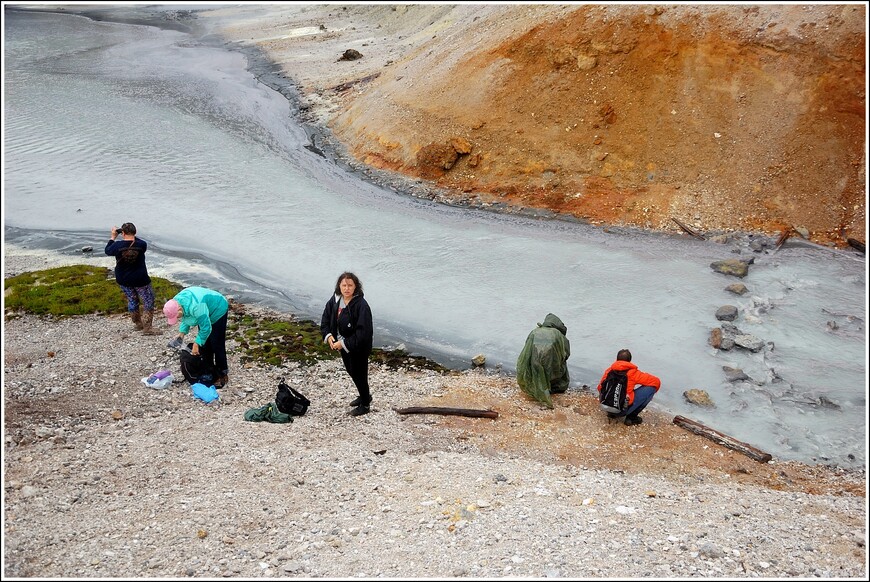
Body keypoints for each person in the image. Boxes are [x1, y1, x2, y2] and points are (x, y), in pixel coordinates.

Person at [320, 272, 374, 416]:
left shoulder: (361, 305)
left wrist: (343, 343)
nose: (347, 288)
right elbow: (325, 320)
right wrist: (329, 336)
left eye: (350, 285)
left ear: (356, 287)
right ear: (339, 286)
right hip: (341, 343)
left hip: (358, 346)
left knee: (359, 374)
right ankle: (365, 395)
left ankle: (365, 405)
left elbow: (364, 333)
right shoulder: (335, 300)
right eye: (344, 285)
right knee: (351, 371)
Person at [163, 287, 230, 388]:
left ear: (179, 309)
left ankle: (222, 372)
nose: (177, 318)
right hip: (204, 310)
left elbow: (206, 327)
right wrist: (182, 333)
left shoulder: (197, 307)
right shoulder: (176, 301)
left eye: (177, 316)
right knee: (206, 343)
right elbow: (186, 316)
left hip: (218, 308)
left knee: (216, 343)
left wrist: (196, 343)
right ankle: (210, 369)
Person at [104, 222, 160, 335]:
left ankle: (138, 323)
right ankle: (147, 328)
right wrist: (130, 235)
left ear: (123, 233)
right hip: (140, 279)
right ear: (135, 232)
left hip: (123, 279)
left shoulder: (117, 246)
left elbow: (107, 250)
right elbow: (137, 241)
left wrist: (113, 237)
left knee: (132, 299)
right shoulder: (142, 245)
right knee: (148, 300)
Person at [516, 313, 570, 408]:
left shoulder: (534, 332)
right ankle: (553, 387)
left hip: (535, 365)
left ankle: (539, 386)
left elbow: (527, 350)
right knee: (560, 363)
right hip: (553, 370)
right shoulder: (558, 334)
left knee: (541, 364)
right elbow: (566, 354)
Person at [597, 348, 661, 426]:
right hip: (622, 410)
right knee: (651, 388)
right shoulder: (632, 373)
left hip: (605, 406)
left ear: (617, 359)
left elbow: (600, 388)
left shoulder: (609, 371)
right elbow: (656, 381)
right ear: (629, 361)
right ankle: (631, 417)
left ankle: (611, 413)